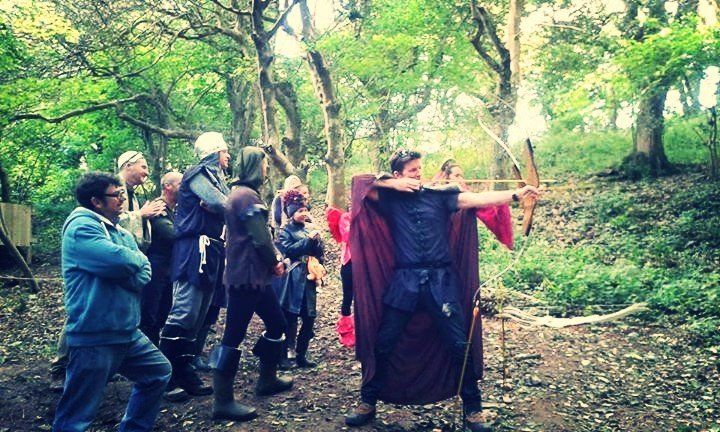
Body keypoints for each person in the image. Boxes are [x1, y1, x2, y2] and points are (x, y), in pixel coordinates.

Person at [344, 149, 540, 431]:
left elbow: (476, 199)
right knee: (384, 342)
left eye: (419, 169)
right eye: (412, 171)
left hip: (441, 283)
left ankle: (473, 409)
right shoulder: (389, 198)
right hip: (405, 282)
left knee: (459, 345)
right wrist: (391, 184)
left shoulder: (439, 196)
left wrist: (516, 195)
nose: (418, 174)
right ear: (399, 175)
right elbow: (359, 184)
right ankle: (368, 401)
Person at [52, 172, 171, 432]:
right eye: (116, 195)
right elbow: (116, 261)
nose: (122, 199)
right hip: (95, 334)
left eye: (122, 194)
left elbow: (143, 273)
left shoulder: (120, 232)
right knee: (77, 414)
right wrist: (135, 263)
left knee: (158, 372)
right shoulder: (81, 227)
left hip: (127, 332)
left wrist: (133, 266)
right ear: (96, 201)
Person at [209, 146, 292, 422]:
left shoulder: (242, 194)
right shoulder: (245, 196)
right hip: (246, 278)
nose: (267, 169)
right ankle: (222, 401)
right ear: (256, 166)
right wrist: (275, 261)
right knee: (233, 336)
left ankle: (267, 380)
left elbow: (260, 236)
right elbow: (260, 238)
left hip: (254, 277)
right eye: (265, 164)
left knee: (277, 324)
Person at [160, 132, 230, 398]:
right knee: (185, 312)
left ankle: (184, 371)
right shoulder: (198, 173)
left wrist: (223, 206)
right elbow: (219, 202)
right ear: (214, 152)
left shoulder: (217, 178)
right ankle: (165, 376)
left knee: (199, 316)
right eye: (224, 152)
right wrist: (223, 206)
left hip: (211, 249)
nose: (228, 156)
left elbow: (224, 204)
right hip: (193, 249)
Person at [276, 189, 324, 369]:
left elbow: (318, 254)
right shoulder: (284, 231)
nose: (304, 213)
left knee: (309, 318)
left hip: (309, 280)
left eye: (305, 210)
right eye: (299, 211)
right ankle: (283, 356)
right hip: (293, 280)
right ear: (291, 213)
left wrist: (317, 243)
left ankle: (301, 355)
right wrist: (307, 241)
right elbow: (288, 250)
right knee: (289, 317)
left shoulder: (309, 228)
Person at [139, 172, 182, 347]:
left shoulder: (176, 210)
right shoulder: (157, 207)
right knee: (150, 313)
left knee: (163, 313)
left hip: (169, 269)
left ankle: (155, 351)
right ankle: (146, 352)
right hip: (155, 268)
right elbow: (171, 234)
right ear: (167, 186)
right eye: (181, 184)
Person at [435, 160, 514, 250]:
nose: (461, 179)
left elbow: (482, 201)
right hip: (445, 242)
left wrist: (504, 200)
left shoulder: (466, 193)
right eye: (457, 176)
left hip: (465, 241)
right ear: (447, 178)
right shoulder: (439, 196)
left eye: (462, 176)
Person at [116, 151, 167, 251]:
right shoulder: (111, 188)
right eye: (143, 167)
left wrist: (148, 215)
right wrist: (141, 214)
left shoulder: (132, 195)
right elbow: (109, 221)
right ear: (128, 166)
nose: (147, 173)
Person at [326, 204, 355, 347]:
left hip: (365, 264)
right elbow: (348, 237)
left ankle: (362, 328)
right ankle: (346, 332)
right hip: (349, 263)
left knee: (362, 298)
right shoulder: (345, 218)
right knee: (348, 297)